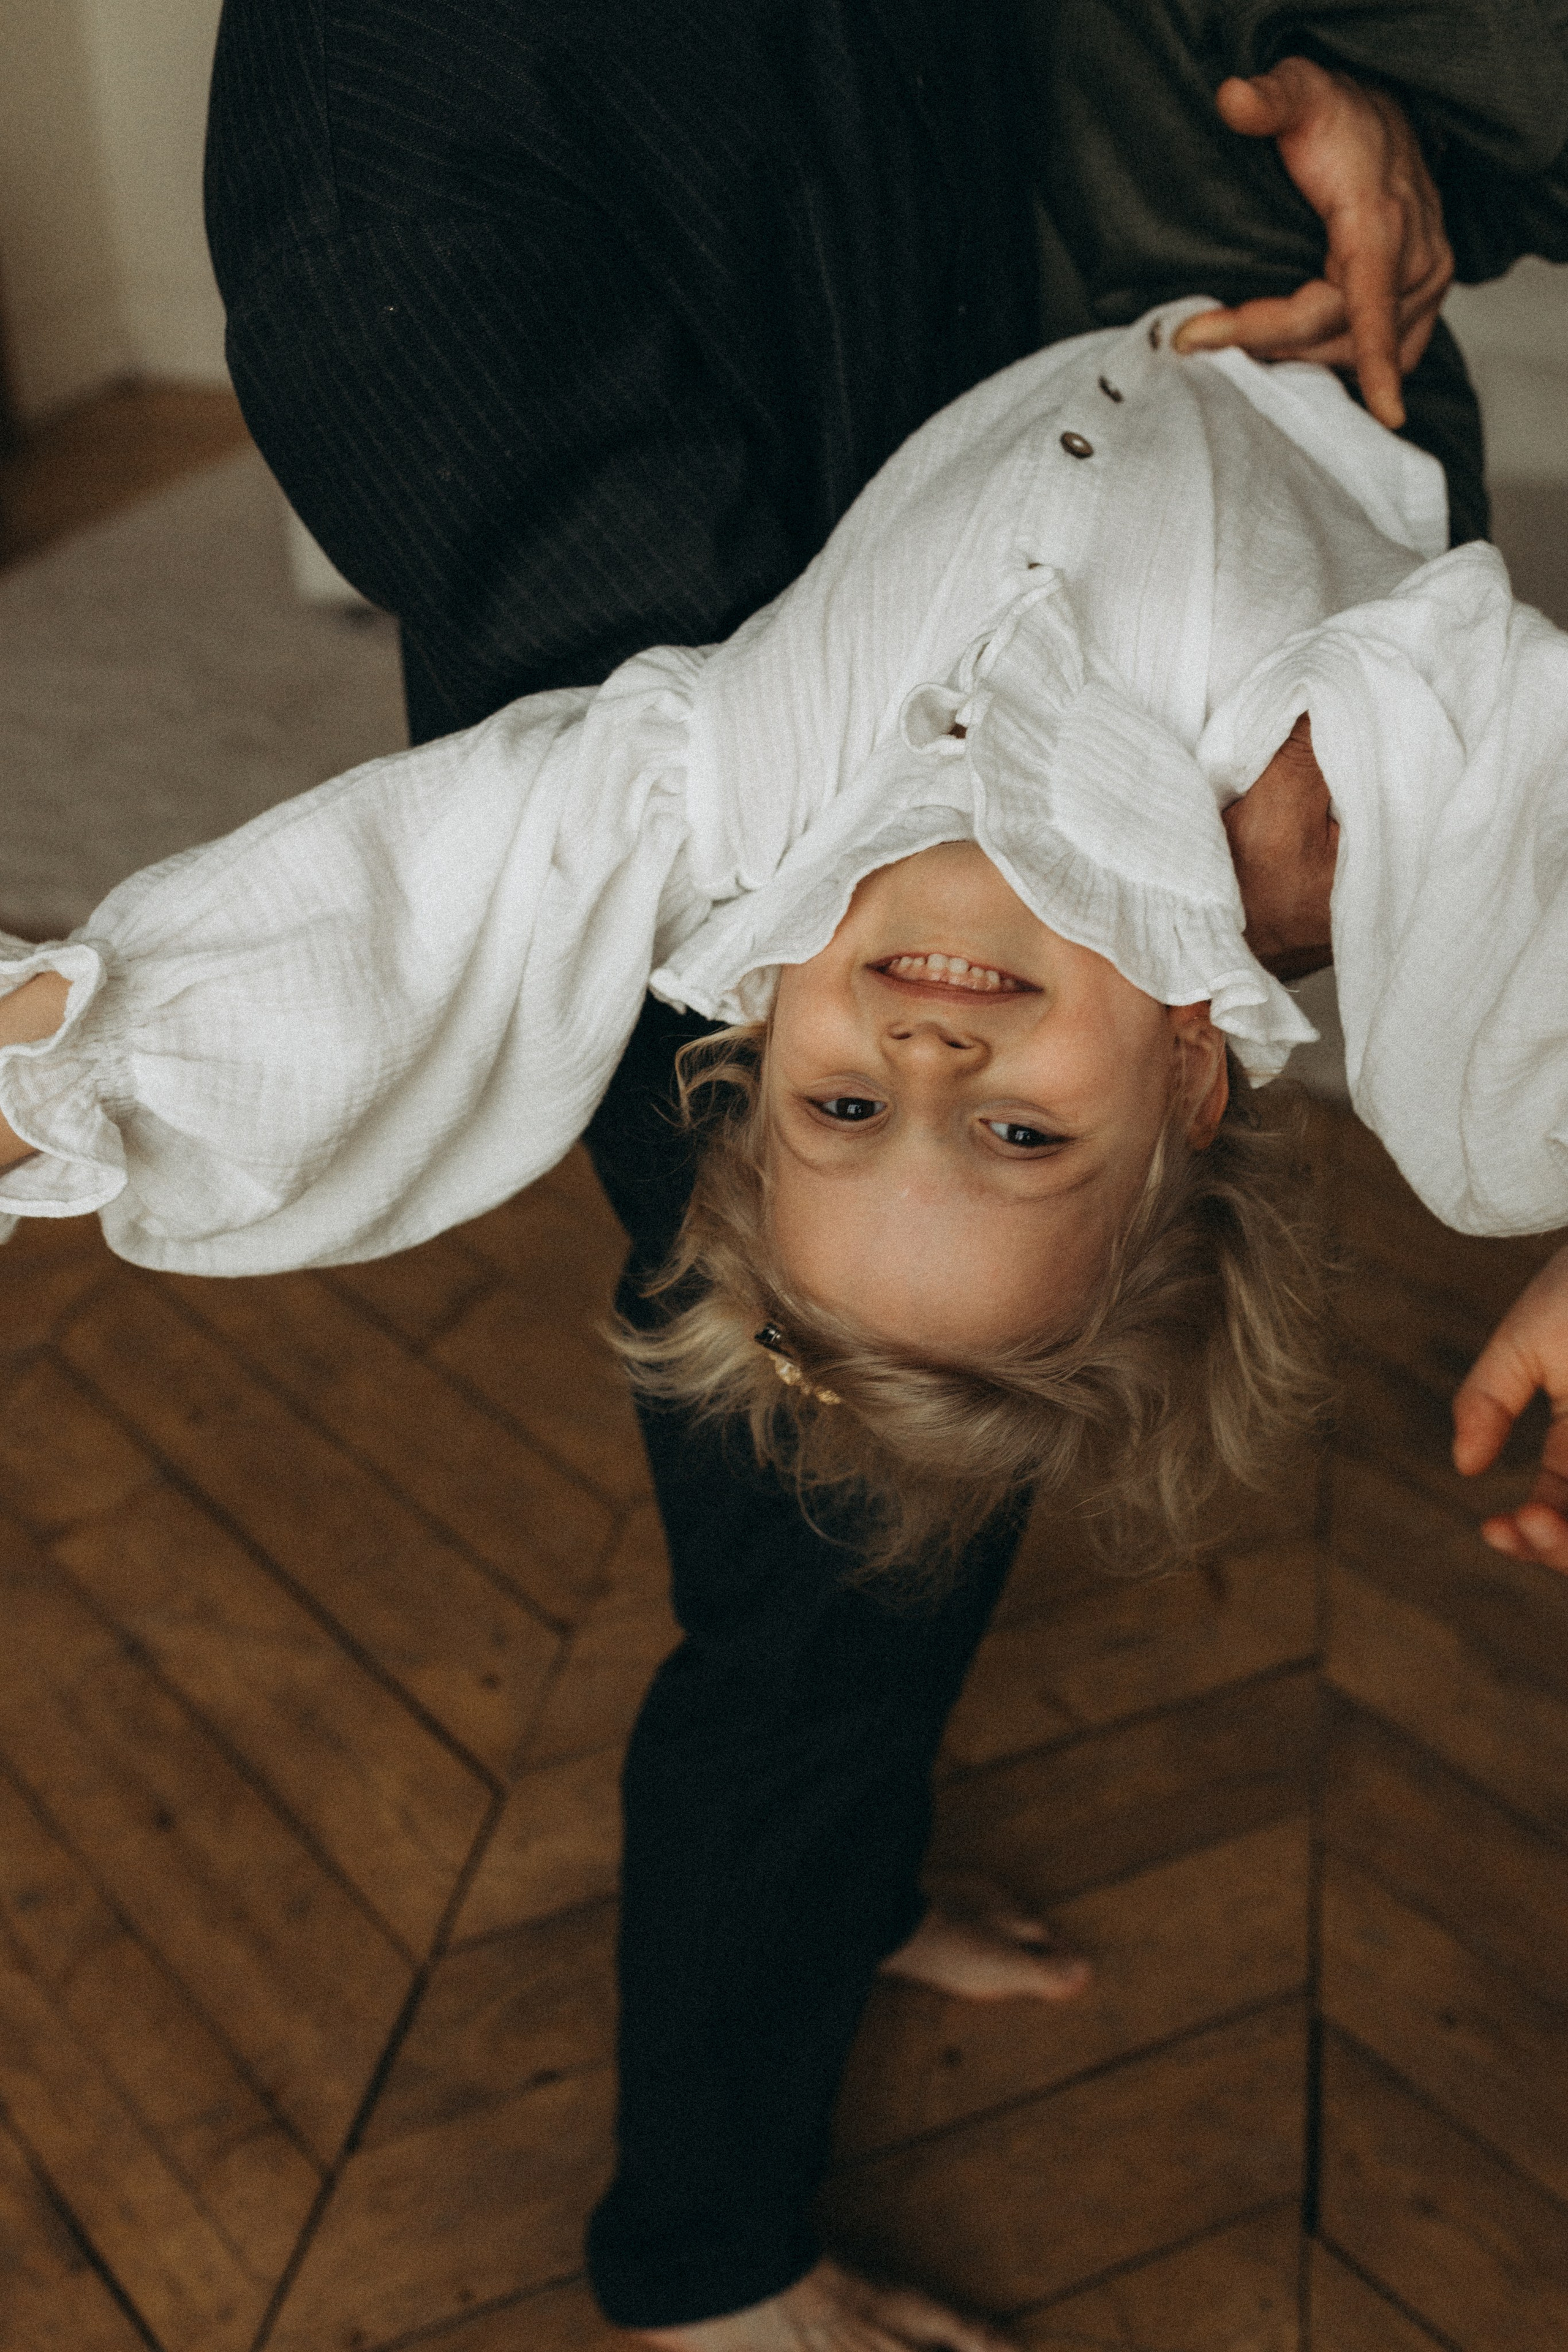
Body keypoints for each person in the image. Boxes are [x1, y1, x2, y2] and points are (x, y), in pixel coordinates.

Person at [21, 8, 1565, 2347]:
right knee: (854, 1551)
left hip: (1061, 264)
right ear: (1193, 1080)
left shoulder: (732, 808)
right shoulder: (1334, 828)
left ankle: (826, 1897)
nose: (927, 1059)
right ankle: (767, 2059)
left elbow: (415, 916)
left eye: (846, 1110)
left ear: (752, 1063)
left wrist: (71, 1069)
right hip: (1280, 347)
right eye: (1017, 1131)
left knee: (871, 1483)